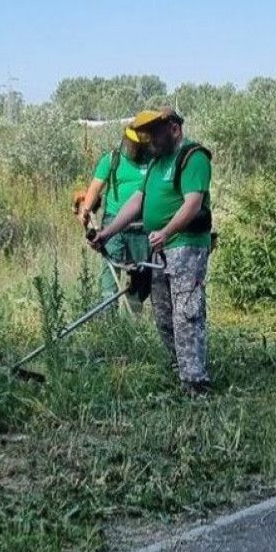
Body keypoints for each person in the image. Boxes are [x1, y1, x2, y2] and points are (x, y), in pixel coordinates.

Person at [88, 107, 213, 394]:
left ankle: (196, 382)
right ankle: (179, 368)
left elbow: (192, 204)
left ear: (173, 128)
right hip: (160, 248)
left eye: (155, 132)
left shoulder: (192, 158)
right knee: (163, 313)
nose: (150, 140)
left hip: (185, 246)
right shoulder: (157, 164)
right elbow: (137, 203)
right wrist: (107, 233)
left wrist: (167, 231)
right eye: (147, 134)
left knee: (186, 313)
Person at [76, 126, 152, 311]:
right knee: (109, 277)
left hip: (142, 227)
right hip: (114, 225)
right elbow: (95, 187)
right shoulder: (113, 159)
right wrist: (86, 209)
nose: (132, 149)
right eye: (130, 144)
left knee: (142, 275)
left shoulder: (153, 161)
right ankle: (108, 320)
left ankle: (134, 314)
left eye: (136, 146)